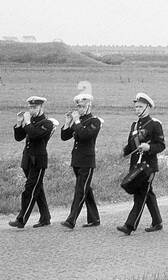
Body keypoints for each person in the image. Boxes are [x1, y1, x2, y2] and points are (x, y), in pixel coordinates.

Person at [116, 92, 165, 234]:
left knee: (140, 195)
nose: (137, 109)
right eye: (136, 107)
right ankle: (157, 222)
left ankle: (129, 225)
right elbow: (131, 145)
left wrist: (149, 147)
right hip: (136, 166)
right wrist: (123, 152)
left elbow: (161, 145)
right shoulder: (135, 125)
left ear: (148, 107)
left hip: (148, 167)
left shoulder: (155, 124)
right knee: (148, 194)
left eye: (140, 107)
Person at [10, 95, 54, 228]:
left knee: (30, 189)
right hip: (27, 160)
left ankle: (21, 219)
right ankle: (45, 218)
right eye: (30, 107)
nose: (31, 109)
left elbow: (34, 135)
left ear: (41, 107)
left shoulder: (47, 123)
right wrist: (19, 123)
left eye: (34, 107)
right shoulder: (31, 122)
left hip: (38, 161)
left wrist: (27, 123)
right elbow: (19, 137)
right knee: (37, 188)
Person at [60, 92, 102, 228]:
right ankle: (94, 219)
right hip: (76, 160)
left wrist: (76, 121)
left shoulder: (94, 121)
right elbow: (65, 136)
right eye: (78, 107)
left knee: (80, 190)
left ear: (89, 106)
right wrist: (67, 123)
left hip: (87, 161)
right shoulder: (79, 121)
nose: (80, 109)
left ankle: (71, 220)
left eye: (83, 107)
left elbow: (85, 135)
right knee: (86, 189)